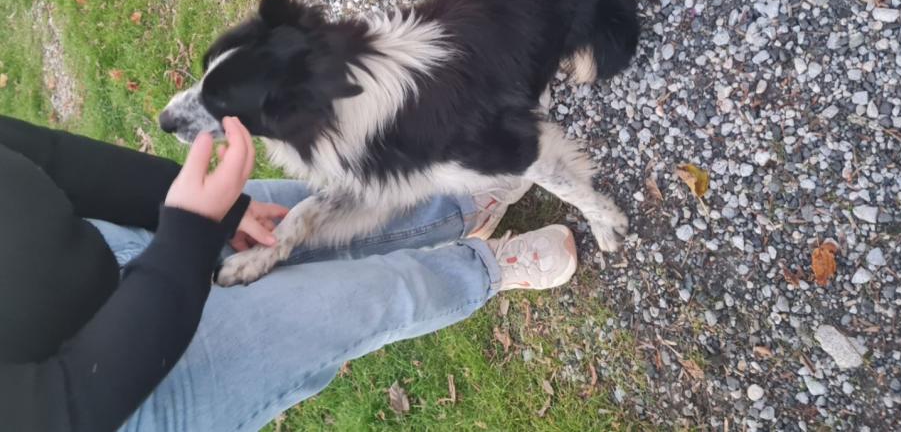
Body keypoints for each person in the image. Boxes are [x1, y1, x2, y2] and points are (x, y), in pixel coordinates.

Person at [0, 114, 578, 431]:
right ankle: (485, 268)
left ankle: (457, 208)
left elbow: (48, 157)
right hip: (118, 404)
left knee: (317, 212)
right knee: (361, 301)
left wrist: (208, 212)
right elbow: (55, 409)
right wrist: (186, 236)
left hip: (109, 242)